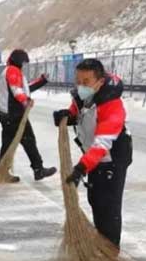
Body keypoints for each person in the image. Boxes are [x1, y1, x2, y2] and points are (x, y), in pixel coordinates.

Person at [54, 58, 133, 249]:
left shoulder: (112, 105)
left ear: (100, 81)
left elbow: (102, 143)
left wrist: (82, 167)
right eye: (78, 81)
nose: (81, 86)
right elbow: (78, 112)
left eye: (86, 82)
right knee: (96, 200)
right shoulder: (83, 97)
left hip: (111, 160)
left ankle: (110, 251)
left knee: (108, 208)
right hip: (94, 159)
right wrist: (67, 116)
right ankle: (101, 244)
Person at [0, 49, 57, 182]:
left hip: (7, 115)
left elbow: (25, 88)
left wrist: (42, 81)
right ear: (19, 61)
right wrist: (26, 100)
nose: (24, 65)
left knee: (8, 144)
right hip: (14, 115)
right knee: (28, 140)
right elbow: (17, 90)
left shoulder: (9, 70)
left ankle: (2, 171)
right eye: (24, 62)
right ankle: (38, 169)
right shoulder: (13, 70)